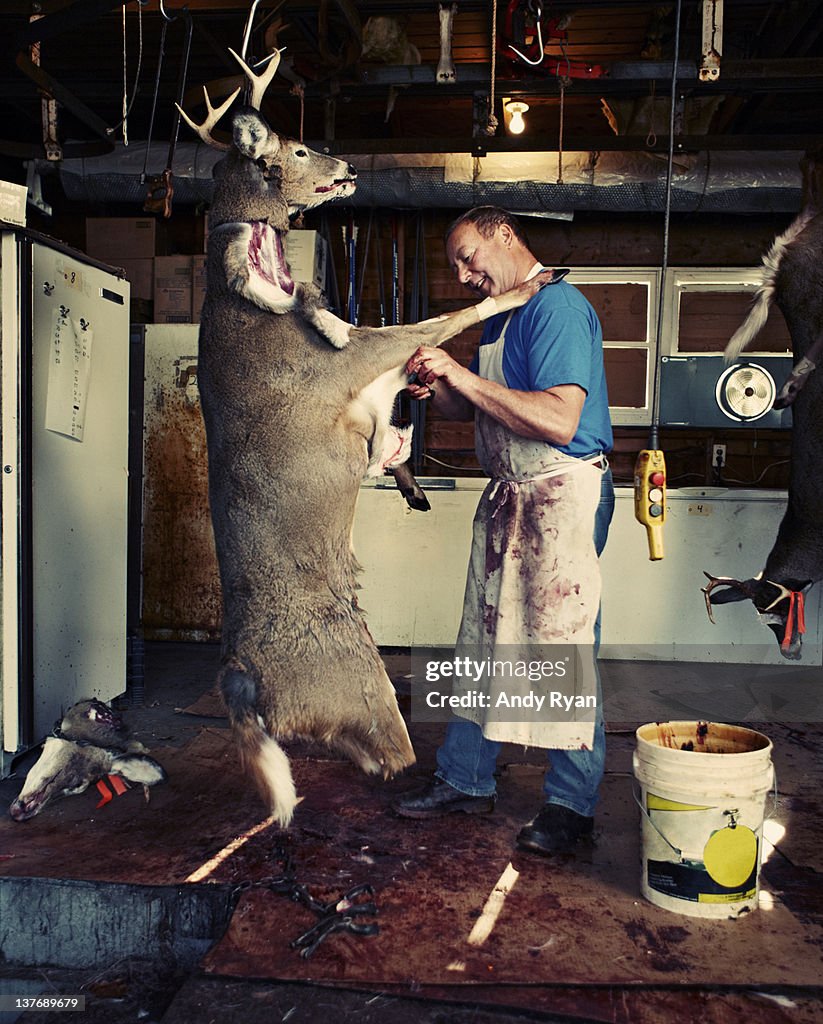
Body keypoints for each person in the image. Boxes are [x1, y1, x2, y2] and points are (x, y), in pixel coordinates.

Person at [394, 206, 615, 856]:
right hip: (511, 495)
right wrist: (445, 390)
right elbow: (491, 403)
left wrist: (459, 372)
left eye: (468, 257)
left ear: (504, 235)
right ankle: (465, 778)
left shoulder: (557, 307)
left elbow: (555, 419)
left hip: (558, 493)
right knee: (482, 644)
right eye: (455, 266)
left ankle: (570, 809)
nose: (463, 275)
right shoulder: (508, 316)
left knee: (559, 651)